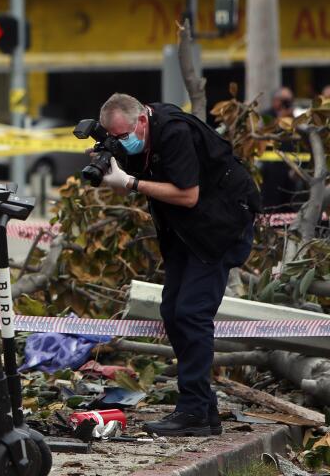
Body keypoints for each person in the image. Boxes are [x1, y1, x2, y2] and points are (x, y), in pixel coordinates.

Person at [97, 93, 259, 437]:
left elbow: (188, 195)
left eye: (125, 135)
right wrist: (112, 165)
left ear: (142, 120)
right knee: (172, 311)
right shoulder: (142, 138)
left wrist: (130, 182)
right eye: (116, 137)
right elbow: (144, 179)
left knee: (191, 313)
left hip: (220, 227)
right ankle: (203, 408)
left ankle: (194, 412)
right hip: (187, 231)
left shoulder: (173, 132)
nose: (124, 142)